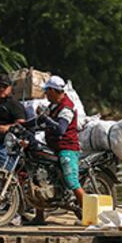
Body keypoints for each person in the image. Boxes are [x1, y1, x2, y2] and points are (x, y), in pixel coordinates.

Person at [42, 75, 84, 208]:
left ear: (52, 91)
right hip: (53, 146)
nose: (45, 94)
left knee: (71, 181)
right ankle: (39, 215)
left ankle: (88, 212)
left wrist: (46, 119)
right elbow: (39, 121)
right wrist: (21, 126)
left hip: (67, 148)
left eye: (46, 91)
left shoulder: (66, 108)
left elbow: (61, 129)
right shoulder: (52, 106)